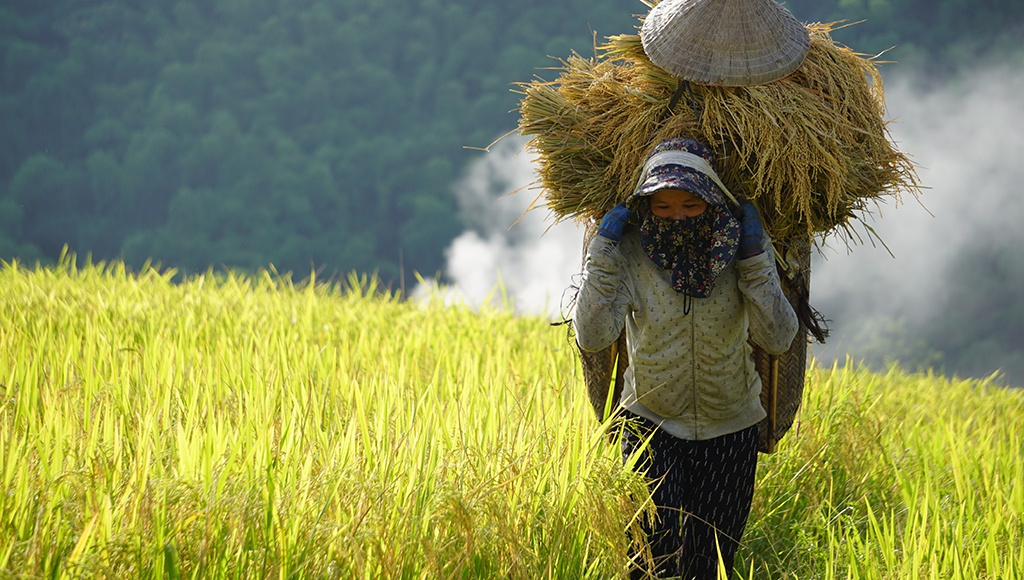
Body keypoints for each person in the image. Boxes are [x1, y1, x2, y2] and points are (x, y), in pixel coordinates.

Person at [572, 137, 799, 579]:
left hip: (731, 427)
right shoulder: (631, 254)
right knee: (650, 562)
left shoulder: (743, 250)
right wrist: (601, 253)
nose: (677, 217)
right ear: (646, 207)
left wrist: (754, 262)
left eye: (691, 206)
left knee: (711, 565)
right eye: (663, 207)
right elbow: (593, 335)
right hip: (650, 422)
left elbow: (778, 338)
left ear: (713, 200)